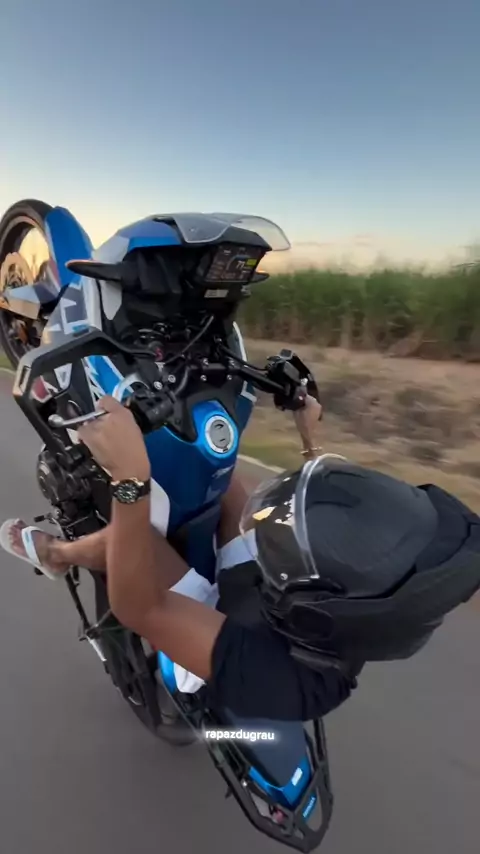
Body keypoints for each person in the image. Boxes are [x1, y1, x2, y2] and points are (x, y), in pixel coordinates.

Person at [2, 395, 480, 722]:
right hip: (267, 603)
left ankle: (58, 554)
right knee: (225, 481)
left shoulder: (281, 679)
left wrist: (131, 478)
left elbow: (139, 608)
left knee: (139, 539)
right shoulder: (367, 588)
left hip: (235, 639)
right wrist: (309, 438)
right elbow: (333, 512)